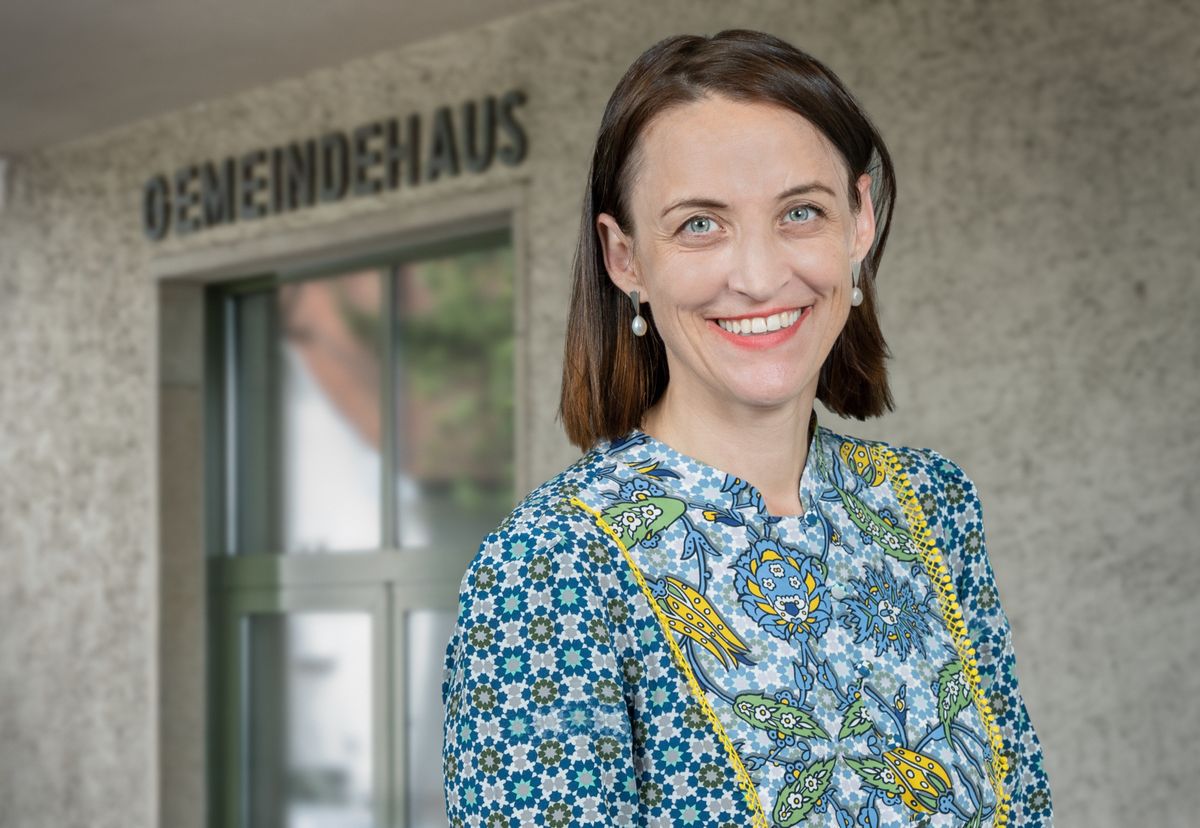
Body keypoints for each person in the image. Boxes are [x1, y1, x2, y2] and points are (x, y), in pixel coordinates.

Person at [441, 29, 1053, 828]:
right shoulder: (550, 567)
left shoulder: (932, 506)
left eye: (801, 212)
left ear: (859, 221)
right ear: (625, 258)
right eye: (700, 224)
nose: (760, 277)